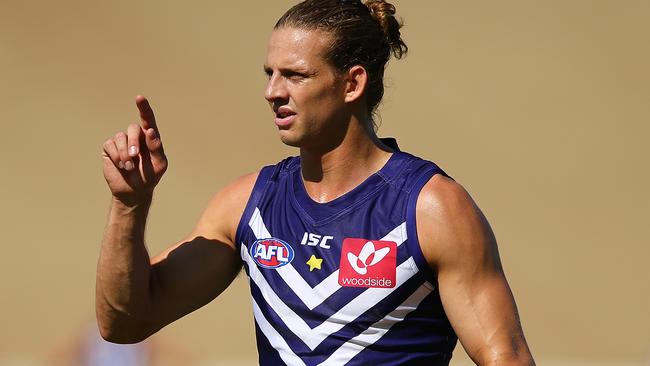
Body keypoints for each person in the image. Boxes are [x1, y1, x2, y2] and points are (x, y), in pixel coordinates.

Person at [96, 0, 535, 365]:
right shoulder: (248, 204)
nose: (272, 91)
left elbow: (507, 358)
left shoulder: (431, 208)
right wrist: (129, 205)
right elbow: (124, 323)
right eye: (269, 73)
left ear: (352, 83)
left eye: (295, 75)